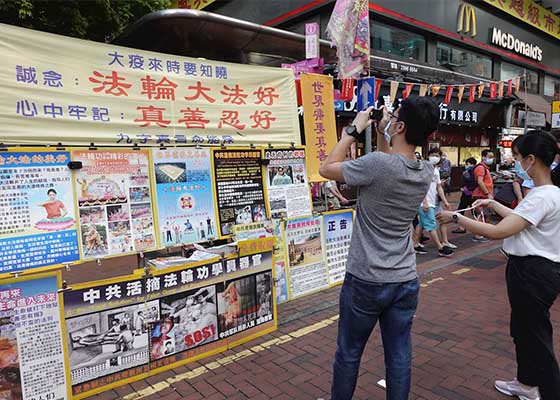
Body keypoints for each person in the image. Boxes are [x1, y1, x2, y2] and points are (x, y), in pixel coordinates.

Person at [319, 97, 439, 400]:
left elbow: (326, 168)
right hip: (404, 278)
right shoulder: (424, 170)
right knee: (398, 356)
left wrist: (354, 129)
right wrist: (387, 130)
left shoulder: (377, 165)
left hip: (365, 278)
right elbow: (392, 162)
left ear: (399, 126)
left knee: (349, 352)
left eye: (394, 116)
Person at [437, 130, 560, 400]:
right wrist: (492, 202)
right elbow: (521, 219)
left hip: (532, 273)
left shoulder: (542, 196)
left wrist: (457, 218)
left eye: (516, 157)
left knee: (537, 339)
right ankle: (526, 384)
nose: (515, 163)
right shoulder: (550, 194)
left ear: (531, 159)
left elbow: (498, 231)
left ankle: (549, 391)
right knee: (524, 331)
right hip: (537, 273)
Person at [413, 148, 454, 257]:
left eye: (437, 155)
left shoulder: (435, 170)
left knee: (421, 224)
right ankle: (440, 248)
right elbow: (420, 186)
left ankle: (415, 244)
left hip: (431, 201)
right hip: (424, 202)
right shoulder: (424, 168)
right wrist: (425, 202)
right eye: (432, 155)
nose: (434, 157)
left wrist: (445, 201)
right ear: (428, 155)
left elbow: (438, 186)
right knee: (431, 225)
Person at [472, 149, 495, 242]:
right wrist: (487, 193)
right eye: (489, 157)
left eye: (492, 157)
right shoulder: (481, 167)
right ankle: (477, 235)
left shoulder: (485, 168)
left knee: (485, 215)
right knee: (481, 215)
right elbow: (480, 182)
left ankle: (483, 233)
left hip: (484, 195)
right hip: (481, 195)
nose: (491, 159)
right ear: (483, 157)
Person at [453, 157, 477, 234]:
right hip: (471, 194)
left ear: (472, 164)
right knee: (474, 211)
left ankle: (462, 227)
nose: (466, 165)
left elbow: (471, 182)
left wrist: (466, 189)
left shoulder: (469, 171)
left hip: (468, 194)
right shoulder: (474, 170)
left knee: (461, 210)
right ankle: (479, 227)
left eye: (467, 164)